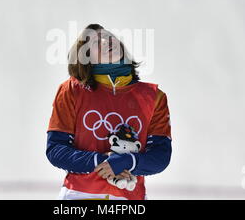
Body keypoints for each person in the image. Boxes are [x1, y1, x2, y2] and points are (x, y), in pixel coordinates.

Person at [46, 23, 172, 200]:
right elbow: (56, 150)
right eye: (96, 42)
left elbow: (160, 156)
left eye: (108, 36)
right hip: (78, 195)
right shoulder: (70, 91)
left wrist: (128, 161)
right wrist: (102, 161)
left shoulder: (154, 97)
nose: (106, 40)